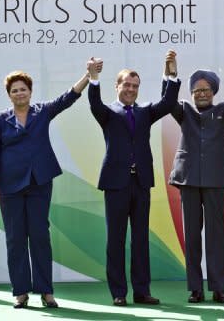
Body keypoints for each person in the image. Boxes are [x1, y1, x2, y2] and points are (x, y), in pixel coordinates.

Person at [0, 60, 98, 308]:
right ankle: (21, 292)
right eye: (14, 90)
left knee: (39, 236)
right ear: (9, 95)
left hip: (39, 183)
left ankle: (46, 291)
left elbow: (67, 98)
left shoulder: (42, 112)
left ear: (30, 91)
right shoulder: (0, 120)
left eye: (23, 89)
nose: (19, 93)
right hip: (9, 187)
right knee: (15, 238)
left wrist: (87, 76)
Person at [88, 51, 180, 306]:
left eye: (135, 86)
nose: (131, 89)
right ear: (117, 86)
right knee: (115, 240)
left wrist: (171, 73)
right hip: (115, 184)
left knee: (140, 240)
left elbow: (168, 102)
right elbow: (94, 104)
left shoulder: (145, 112)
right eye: (126, 85)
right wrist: (93, 78)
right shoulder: (106, 112)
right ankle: (119, 293)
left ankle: (142, 292)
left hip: (140, 183)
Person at [168, 55, 224, 303]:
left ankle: (218, 287)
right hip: (188, 179)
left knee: (216, 236)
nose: (201, 94)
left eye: (206, 89)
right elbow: (167, 101)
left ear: (213, 92)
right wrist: (171, 74)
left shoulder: (223, 111)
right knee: (192, 236)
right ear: (191, 93)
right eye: (196, 90)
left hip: (214, 179)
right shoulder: (184, 110)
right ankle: (195, 288)